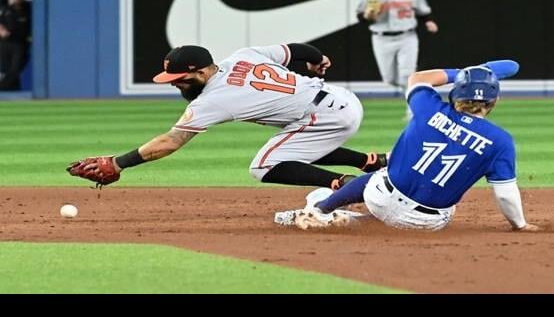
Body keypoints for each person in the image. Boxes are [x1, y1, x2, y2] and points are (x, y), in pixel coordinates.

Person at [66, 43, 388, 190]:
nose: (176, 84)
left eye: (181, 78)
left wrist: (118, 163)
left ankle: (349, 186)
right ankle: (370, 161)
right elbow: (295, 50)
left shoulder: (213, 100)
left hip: (326, 118)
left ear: (203, 71)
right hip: (340, 101)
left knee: (263, 166)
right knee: (293, 144)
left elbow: (169, 142)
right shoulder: (243, 56)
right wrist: (318, 61)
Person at [279, 60, 540, 232]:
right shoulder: (501, 141)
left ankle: (322, 209)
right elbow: (505, 194)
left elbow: (418, 78)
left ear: (456, 93)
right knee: (416, 207)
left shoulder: (428, 107)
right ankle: (349, 222)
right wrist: (520, 225)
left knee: (380, 176)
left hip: (379, 196)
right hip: (428, 222)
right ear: (493, 102)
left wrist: (461, 73)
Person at [357, 0, 439, 119]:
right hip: (381, 38)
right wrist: (367, 15)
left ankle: (412, 112)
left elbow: (424, 12)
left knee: (407, 74)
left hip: (407, 37)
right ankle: (413, 86)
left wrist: (429, 21)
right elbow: (361, 17)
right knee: (389, 78)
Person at [0, 0, 31, 91]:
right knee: (5, 70)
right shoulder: (3, 5)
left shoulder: (28, 7)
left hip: (20, 43)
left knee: (15, 69)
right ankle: (12, 95)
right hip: (4, 43)